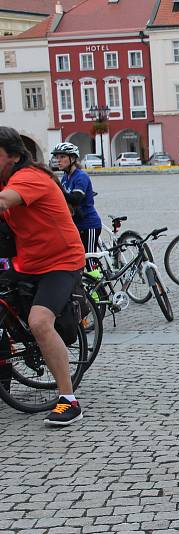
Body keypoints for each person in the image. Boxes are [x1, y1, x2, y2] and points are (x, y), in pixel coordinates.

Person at [0, 126, 87, 426]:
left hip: (60, 261)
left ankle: (68, 400)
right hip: (26, 261)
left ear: (11, 156)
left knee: (39, 322)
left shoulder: (29, 177)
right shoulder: (7, 176)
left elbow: (3, 202)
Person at [52, 142, 102, 257]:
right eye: (57, 157)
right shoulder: (65, 178)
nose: (58, 160)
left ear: (73, 158)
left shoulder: (81, 176)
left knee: (89, 259)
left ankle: (97, 275)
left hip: (89, 224)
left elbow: (75, 199)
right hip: (75, 224)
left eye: (62, 157)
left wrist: (57, 187)